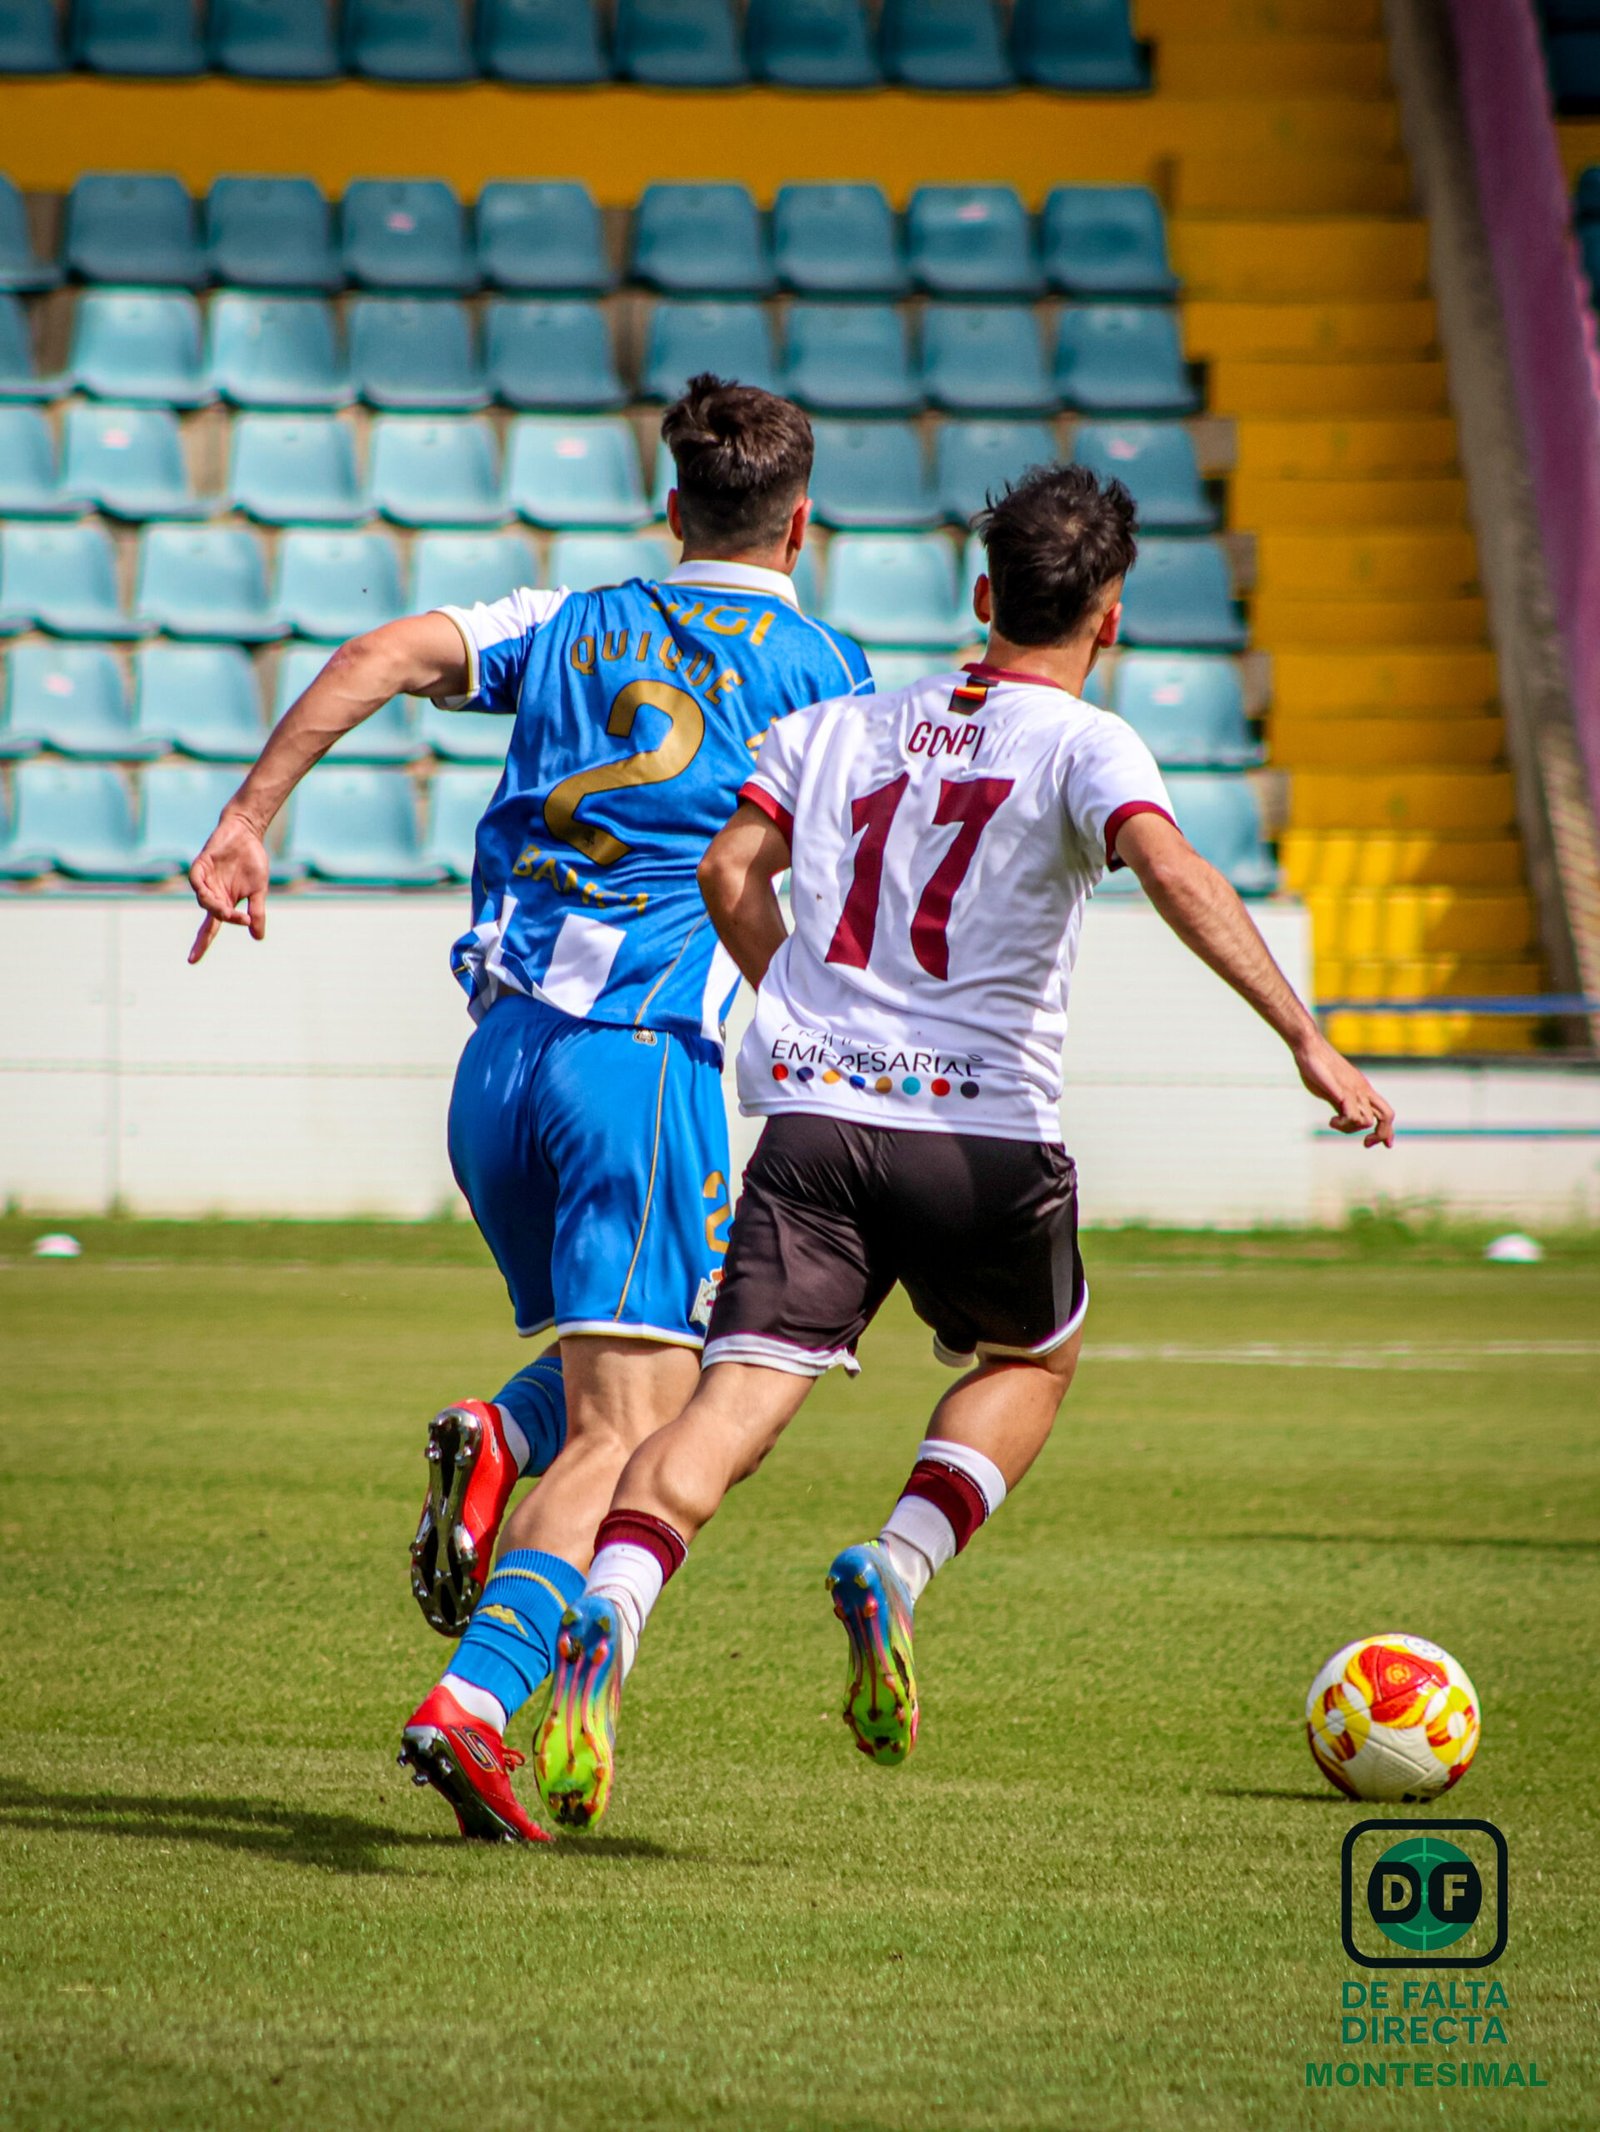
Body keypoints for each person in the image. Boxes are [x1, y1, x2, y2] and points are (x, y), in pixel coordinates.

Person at [529, 463, 1395, 1830]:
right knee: (1035, 1357)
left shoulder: (838, 724)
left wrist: (801, 1004)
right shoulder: (1087, 745)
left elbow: (726, 872)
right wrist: (1306, 1037)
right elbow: (1173, 869)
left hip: (816, 1125)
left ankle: (614, 1611)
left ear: (984, 594)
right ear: (1109, 617)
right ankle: (899, 1559)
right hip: (981, 1135)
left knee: (724, 1413)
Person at [186, 376, 872, 1843]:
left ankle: (504, 1433)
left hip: (496, 1067)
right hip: (639, 1067)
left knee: (665, 1358)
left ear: (671, 510)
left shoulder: (560, 621)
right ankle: (478, 1701)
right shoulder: (827, 672)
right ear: (801, 524)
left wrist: (246, 820)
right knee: (633, 1432)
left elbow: (376, 654)